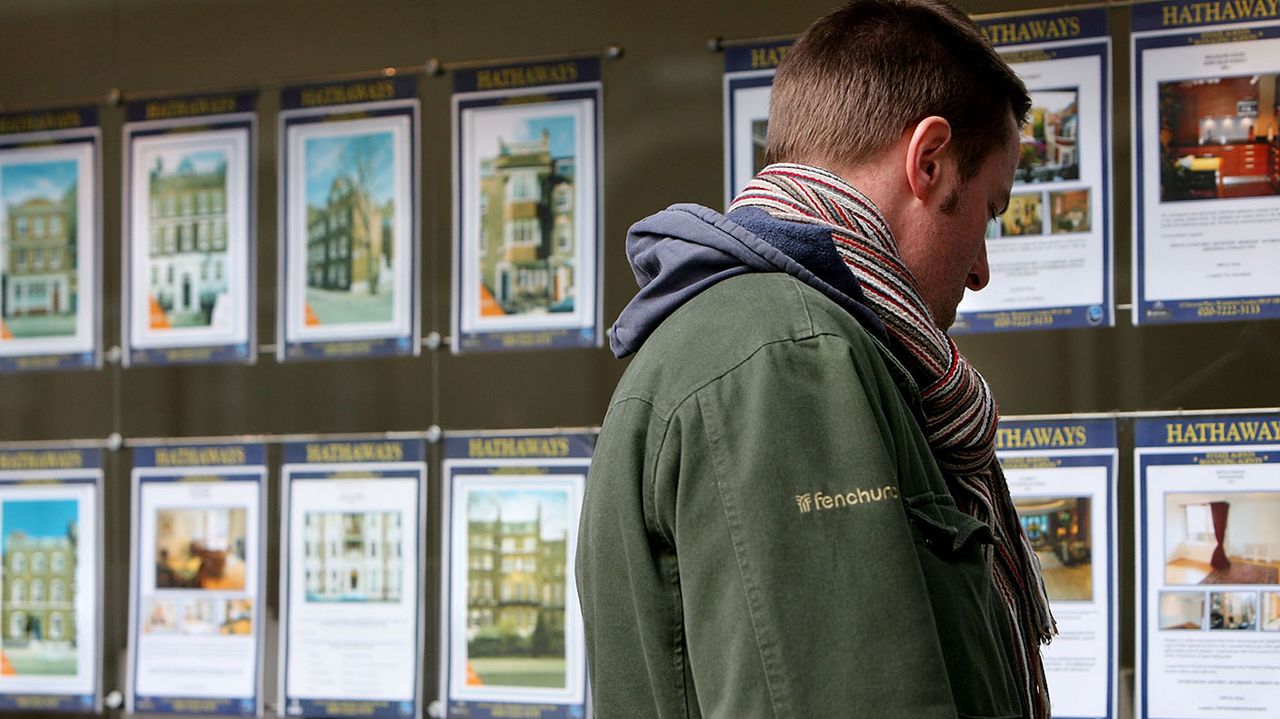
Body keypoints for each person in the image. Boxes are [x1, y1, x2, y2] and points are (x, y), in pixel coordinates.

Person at [575, 1, 1056, 717]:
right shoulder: (787, 355)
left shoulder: (752, 333)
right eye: (989, 210)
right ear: (928, 160)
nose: (983, 268)